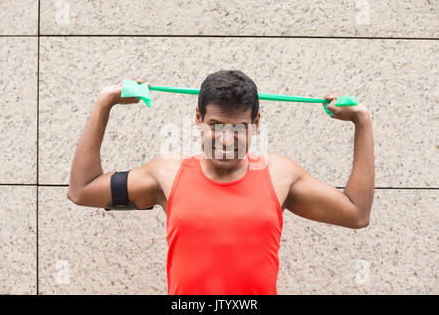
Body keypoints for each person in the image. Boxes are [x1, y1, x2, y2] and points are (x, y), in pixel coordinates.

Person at [67, 70, 375, 295]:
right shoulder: (168, 175)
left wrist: (362, 122)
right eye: (215, 125)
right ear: (198, 119)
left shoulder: (280, 175)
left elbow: (356, 213)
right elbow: (82, 191)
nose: (226, 140)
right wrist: (104, 103)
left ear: (255, 123)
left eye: (239, 127)